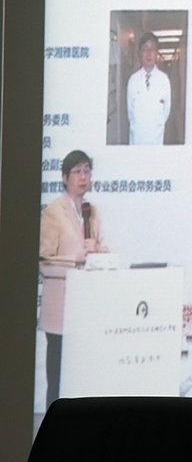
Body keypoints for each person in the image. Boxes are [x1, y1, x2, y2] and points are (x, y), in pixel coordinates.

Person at [38, 150, 107, 407]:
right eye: (77, 171)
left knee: (82, 379)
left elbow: (105, 251)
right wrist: (75, 258)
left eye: (87, 171)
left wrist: (96, 250)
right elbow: (44, 262)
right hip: (60, 312)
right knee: (57, 380)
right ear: (65, 177)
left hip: (86, 310)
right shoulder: (53, 212)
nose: (83, 177)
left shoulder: (92, 212)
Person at [126, 31, 171, 145]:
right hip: (137, 141)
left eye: (152, 49)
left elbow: (166, 111)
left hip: (156, 140)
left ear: (156, 53)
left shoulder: (164, 80)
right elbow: (130, 113)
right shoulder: (133, 80)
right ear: (140, 53)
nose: (148, 53)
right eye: (145, 49)